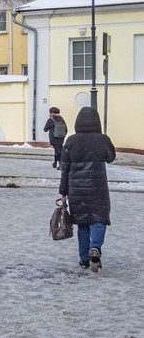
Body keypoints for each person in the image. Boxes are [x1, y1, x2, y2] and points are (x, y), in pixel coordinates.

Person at [59, 106, 115, 273]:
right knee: (99, 219)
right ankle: (95, 247)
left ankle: (84, 260)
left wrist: (63, 191)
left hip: (77, 190)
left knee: (83, 224)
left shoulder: (70, 141)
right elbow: (110, 157)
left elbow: (64, 168)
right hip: (98, 188)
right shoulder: (103, 139)